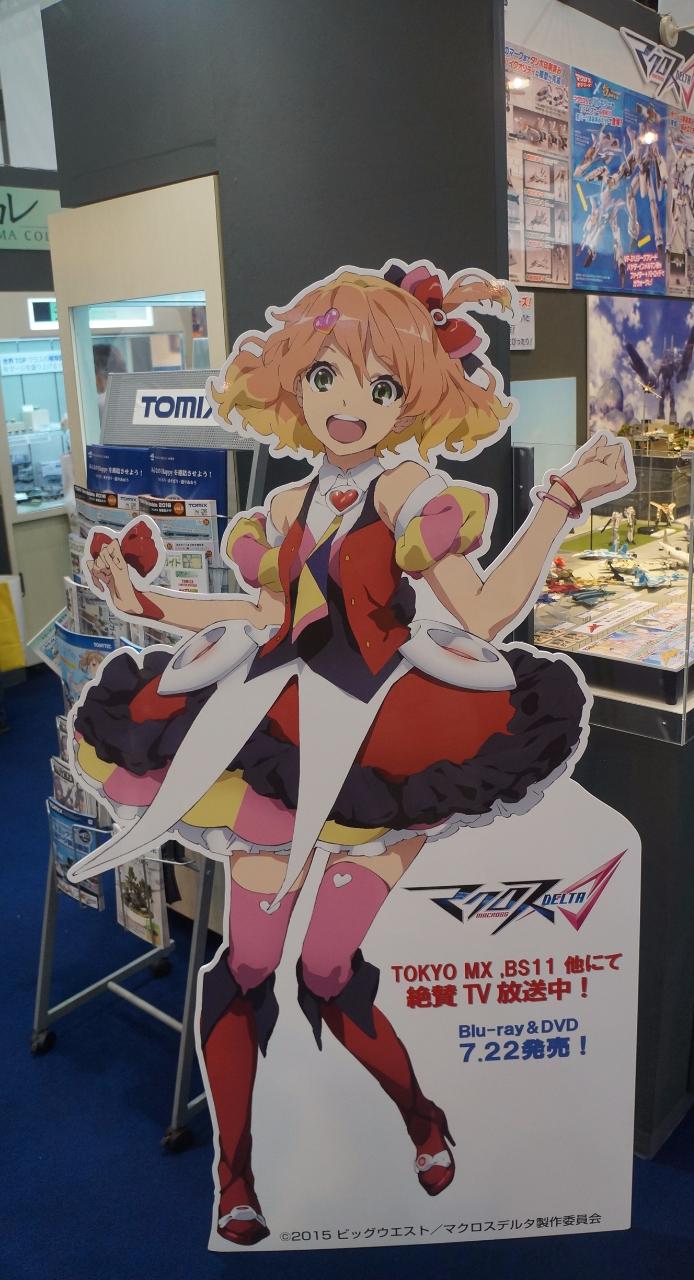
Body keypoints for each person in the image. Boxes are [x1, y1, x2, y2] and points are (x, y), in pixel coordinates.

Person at [66, 261, 632, 1247]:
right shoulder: (286, 507)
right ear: (293, 378)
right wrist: (146, 601)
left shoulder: (410, 491)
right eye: (326, 375)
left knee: (325, 968)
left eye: (381, 384)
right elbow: (261, 616)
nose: (347, 404)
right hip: (279, 741)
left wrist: (561, 498)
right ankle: (235, 1175)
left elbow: (485, 613)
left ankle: (422, 1117)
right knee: (248, 963)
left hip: (382, 741)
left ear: (415, 397)